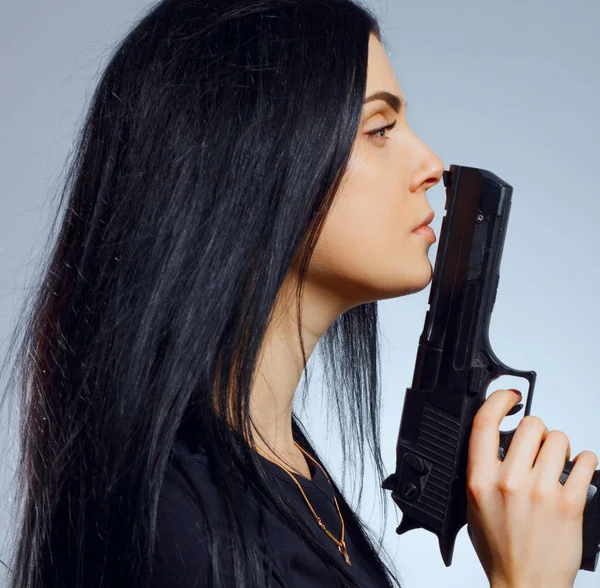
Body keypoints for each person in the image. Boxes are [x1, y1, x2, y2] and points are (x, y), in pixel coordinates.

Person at [0, 0, 596, 587]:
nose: (433, 166)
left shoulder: (288, 475)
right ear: (254, 161)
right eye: (380, 129)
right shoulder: (182, 536)